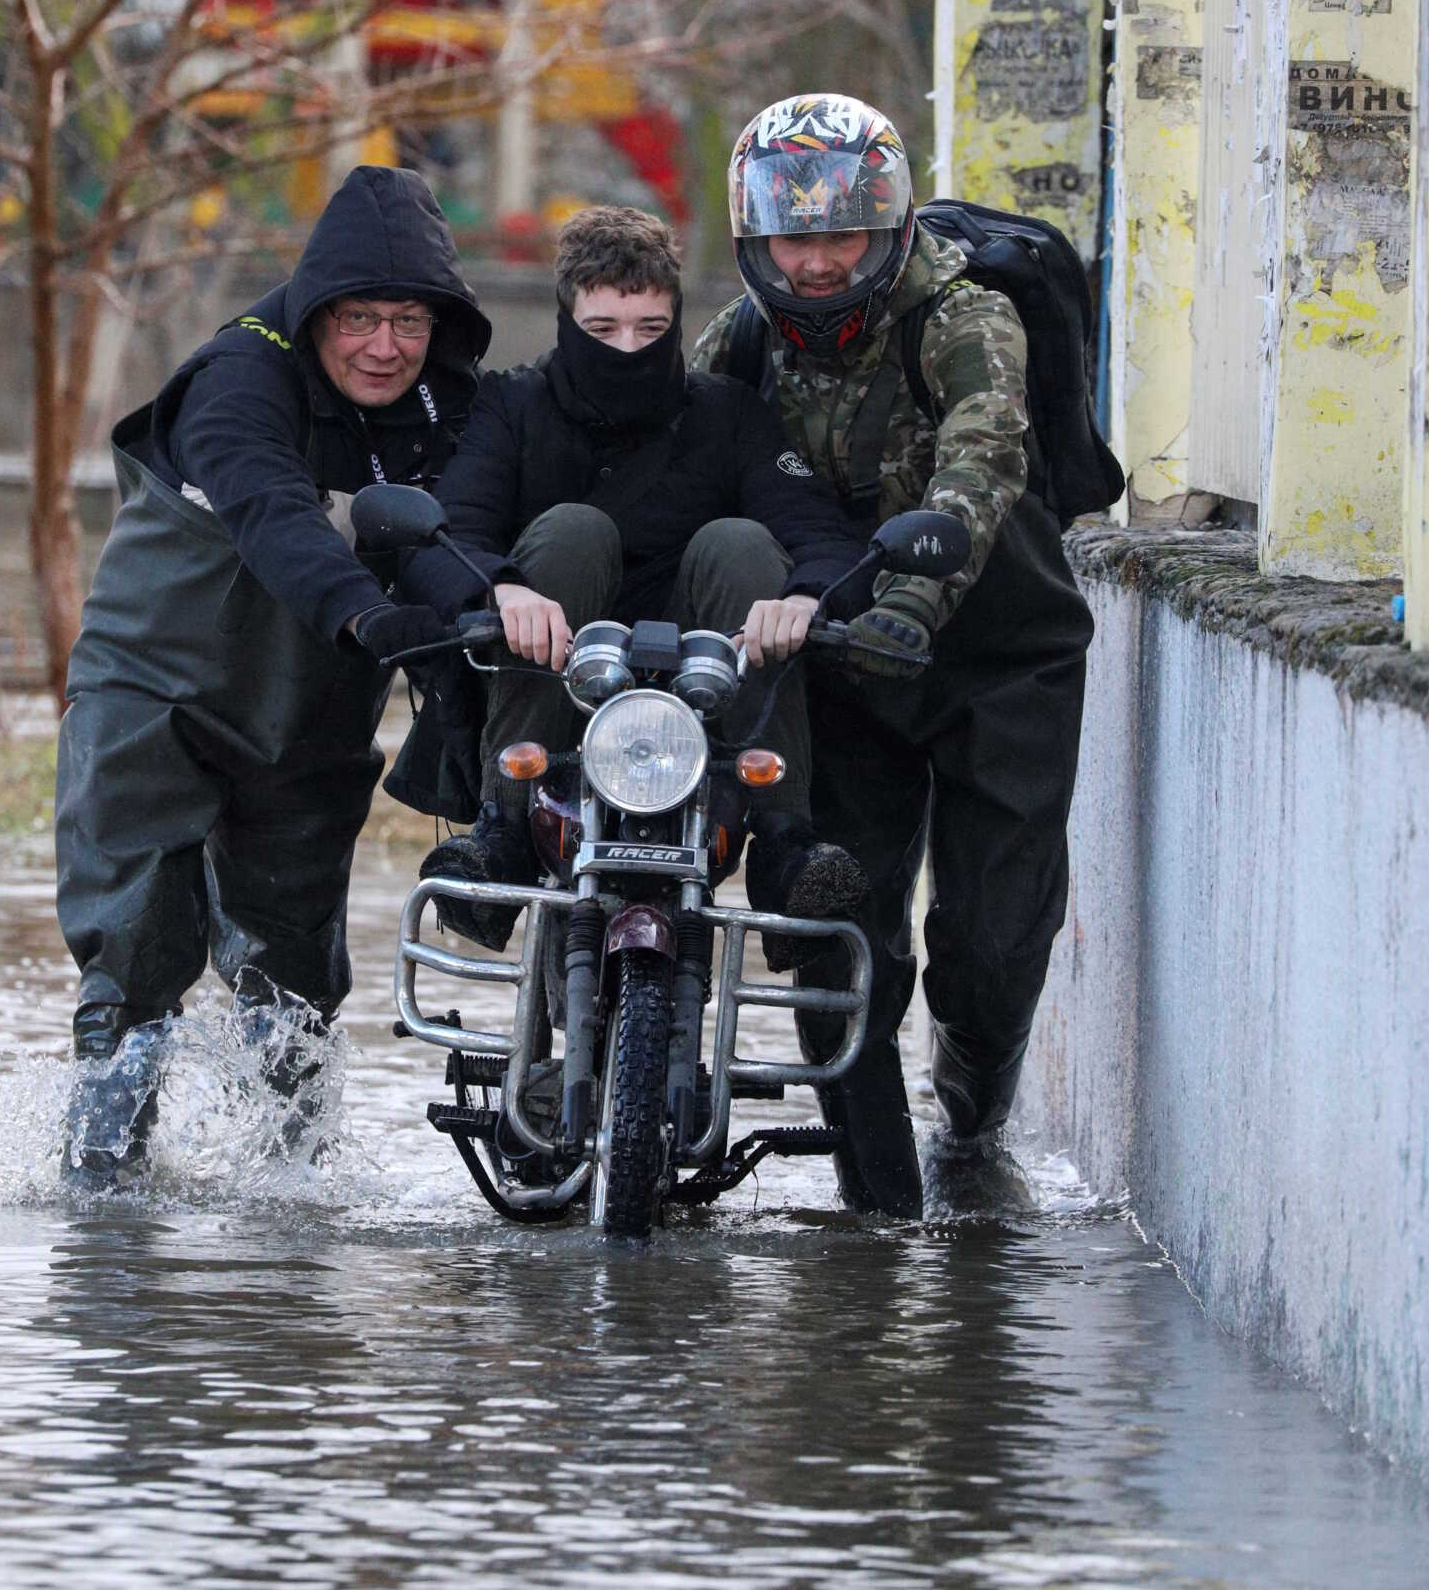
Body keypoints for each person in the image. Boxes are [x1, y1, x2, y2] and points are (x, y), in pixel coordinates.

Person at [690, 94, 1094, 1219]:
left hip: (1003, 658)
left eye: (843, 237)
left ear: (892, 225)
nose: (817, 264)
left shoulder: (967, 318)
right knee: (832, 926)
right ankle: (875, 1206)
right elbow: (671, 460)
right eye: (793, 238)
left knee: (989, 940)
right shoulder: (740, 338)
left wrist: (916, 596)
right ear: (753, 236)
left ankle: (971, 1133)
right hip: (840, 666)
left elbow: (982, 457)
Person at [55, 164, 488, 1173]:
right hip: (154, 688)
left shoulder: (450, 407)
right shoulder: (234, 379)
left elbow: (467, 537)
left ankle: (292, 1202)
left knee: (295, 974)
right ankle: (101, 1202)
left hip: (312, 711)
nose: (385, 347)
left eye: (410, 323)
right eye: (360, 320)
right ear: (315, 313)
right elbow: (271, 513)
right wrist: (368, 613)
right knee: (137, 948)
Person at [402, 205, 867, 950]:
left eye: (651, 331)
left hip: (700, 687)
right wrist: (499, 587)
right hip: (557, 674)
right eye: (603, 330)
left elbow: (819, 528)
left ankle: (784, 834)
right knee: (574, 529)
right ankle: (504, 825)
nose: (628, 349)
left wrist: (807, 593)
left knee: (744, 540)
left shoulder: (731, 414)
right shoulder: (510, 405)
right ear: (565, 318)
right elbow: (444, 528)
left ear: (676, 322)